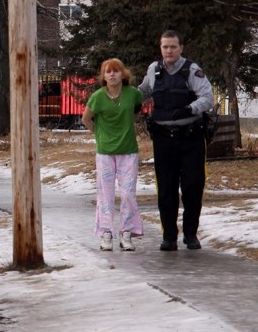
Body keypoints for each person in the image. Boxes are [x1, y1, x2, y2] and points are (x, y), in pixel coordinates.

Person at [138, 30, 214, 251]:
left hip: (191, 139)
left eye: (173, 47)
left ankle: (190, 234)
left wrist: (190, 109)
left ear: (181, 48)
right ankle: (169, 236)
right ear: (160, 48)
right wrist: (118, 96)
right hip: (163, 140)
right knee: (166, 189)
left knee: (192, 186)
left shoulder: (192, 70)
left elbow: (208, 98)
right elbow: (142, 93)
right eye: (165, 47)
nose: (169, 51)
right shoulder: (154, 70)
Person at [82, 58, 144, 251]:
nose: (112, 75)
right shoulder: (98, 97)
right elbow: (86, 119)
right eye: (108, 71)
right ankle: (106, 233)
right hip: (105, 153)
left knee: (127, 193)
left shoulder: (132, 94)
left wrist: (127, 125)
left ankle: (127, 234)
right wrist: (99, 134)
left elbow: (137, 112)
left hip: (128, 152)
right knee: (105, 195)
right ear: (103, 76)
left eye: (116, 71)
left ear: (122, 74)